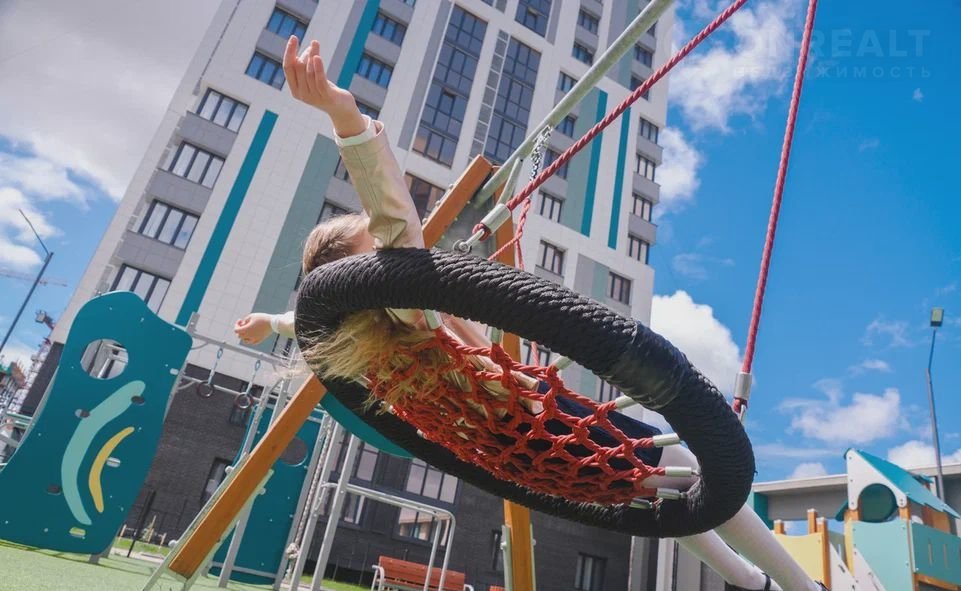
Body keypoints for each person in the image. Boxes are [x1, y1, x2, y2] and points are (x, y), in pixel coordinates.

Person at [235, 35, 825, 591]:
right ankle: (799, 585)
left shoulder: (380, 351)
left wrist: (271, 321)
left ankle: (750, 582)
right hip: (542, 424)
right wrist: (347, 119)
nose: (395, 250)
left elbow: (315, 319)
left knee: (667, 494)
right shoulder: (409, 316)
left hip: (521, 452)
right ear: (366, 273)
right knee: (685, 469)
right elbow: (396, 225)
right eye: (376, 247)